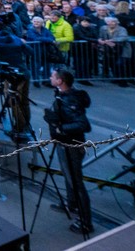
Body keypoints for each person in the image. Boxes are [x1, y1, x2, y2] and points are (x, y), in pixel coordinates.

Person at [44, 67, 93, 234]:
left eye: (53, 76)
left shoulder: (69, 100)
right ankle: (71, 204)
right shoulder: (62, 95)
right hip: (64, 144)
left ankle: (86, 222)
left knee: (76, 182)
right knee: (68, 176)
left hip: (71, 146)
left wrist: (61, 129)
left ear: (60, 81)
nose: (50, 78)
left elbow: (83, 124)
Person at [0, 18, 32, 140]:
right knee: (23, 102)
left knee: (15, 102)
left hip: (12, 76)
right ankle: (25, 126)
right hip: (23, 73)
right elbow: (29, 51)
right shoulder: (13, 38)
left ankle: (19, 129)